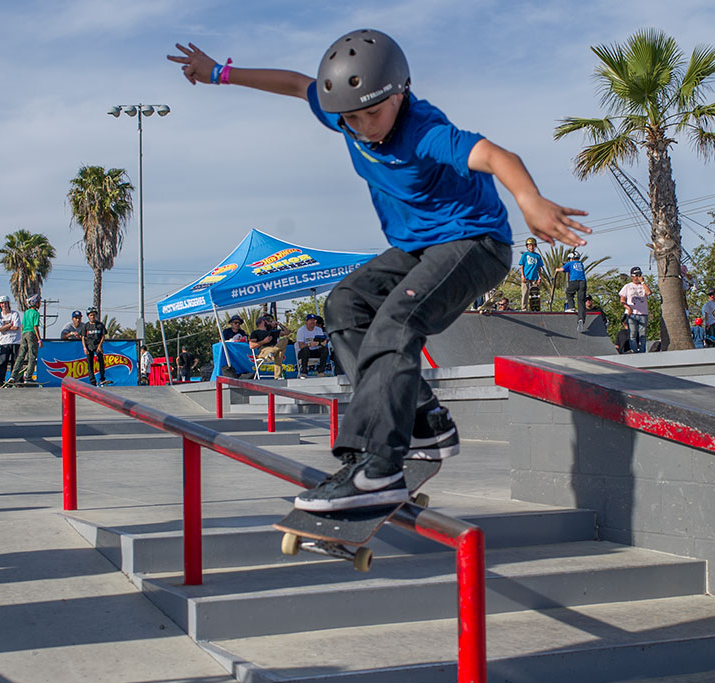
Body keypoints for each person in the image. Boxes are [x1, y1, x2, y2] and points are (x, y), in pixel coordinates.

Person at [169, 29, 588, 510]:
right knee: (345, 305)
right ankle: (424, 420)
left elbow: (496, 156)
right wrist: (220, 73)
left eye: (374, 112)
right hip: (419, 248)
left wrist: (529, 199)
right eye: (352, 117)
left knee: (396, 324)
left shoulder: (424, 130)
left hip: (477, 244)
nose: (365, 125)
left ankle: (378, 465)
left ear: (400, 92)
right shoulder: (344, 118)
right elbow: (292, 82)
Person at [618, 266, 652, 353]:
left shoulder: (643, 286)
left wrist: (643, 282)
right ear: (632, 276)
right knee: (632, 334)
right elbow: (622, 300)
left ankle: (642, 351)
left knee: (642, 335)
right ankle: (634, 351)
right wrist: (628, 307)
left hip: (643, 313)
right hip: (632, 314)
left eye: (639, 275)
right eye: (635, 275)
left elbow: (648, 292)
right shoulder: (627, 286)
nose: (637, 277)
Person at [10, 294, 42, 383]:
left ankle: (13, 375)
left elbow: (22, 325)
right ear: (35, 303)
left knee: (21, 355)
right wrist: (39, 339)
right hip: (31, 334)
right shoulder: (35, 313)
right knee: (32, 356)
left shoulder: (26, 312)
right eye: (38, 302)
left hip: (24, 334)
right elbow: (35, 327)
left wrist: (22, 336)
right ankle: (28, 377)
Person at [557, 250, 588, 332]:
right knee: (581, 301)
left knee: (569, 293)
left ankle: (571, 307)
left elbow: (562, 269)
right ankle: (581, 319)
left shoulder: (570, 263)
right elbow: (572, 270)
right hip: (583, 282)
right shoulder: (581, 264)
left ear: (571, 258)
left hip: (574, 281)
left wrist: (557, 269)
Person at [0, 296, 21, 385]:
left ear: (8, 304)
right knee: (3, 362)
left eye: (5, 303)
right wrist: (9, 325)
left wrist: (4, 327)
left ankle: (17, 380)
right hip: (4, 342)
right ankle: (0, 381)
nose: (3, 305)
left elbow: (16, 327)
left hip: (15, 341)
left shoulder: (14, 314)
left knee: (15, 362)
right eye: (1, 303)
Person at [81, 307, 110, 386]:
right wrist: (84, 348)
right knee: (90, 365)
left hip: (97, 345)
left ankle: (102, 379)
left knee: (101, 362)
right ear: (88, 316)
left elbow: (103, 336)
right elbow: (83, 337)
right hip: (89, 345)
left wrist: (100, 346)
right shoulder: (86, 326)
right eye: (91, 315)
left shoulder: (100, 325)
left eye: (94, 315)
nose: (92, 317)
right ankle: (92, 382)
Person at [518, 238, 543, 310]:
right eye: (529, 245)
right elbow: (522, 266)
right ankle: (524, 308)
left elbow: (539, 268)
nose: (531, 247)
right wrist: (522, 276)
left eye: (533, 245)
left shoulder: (537, 256)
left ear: (535, 246)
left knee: (535, 294)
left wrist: (540, 277)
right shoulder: (525, 255)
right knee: (525, 293)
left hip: (534, 277)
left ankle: (534, 307)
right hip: (526, 277)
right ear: (527, 246)